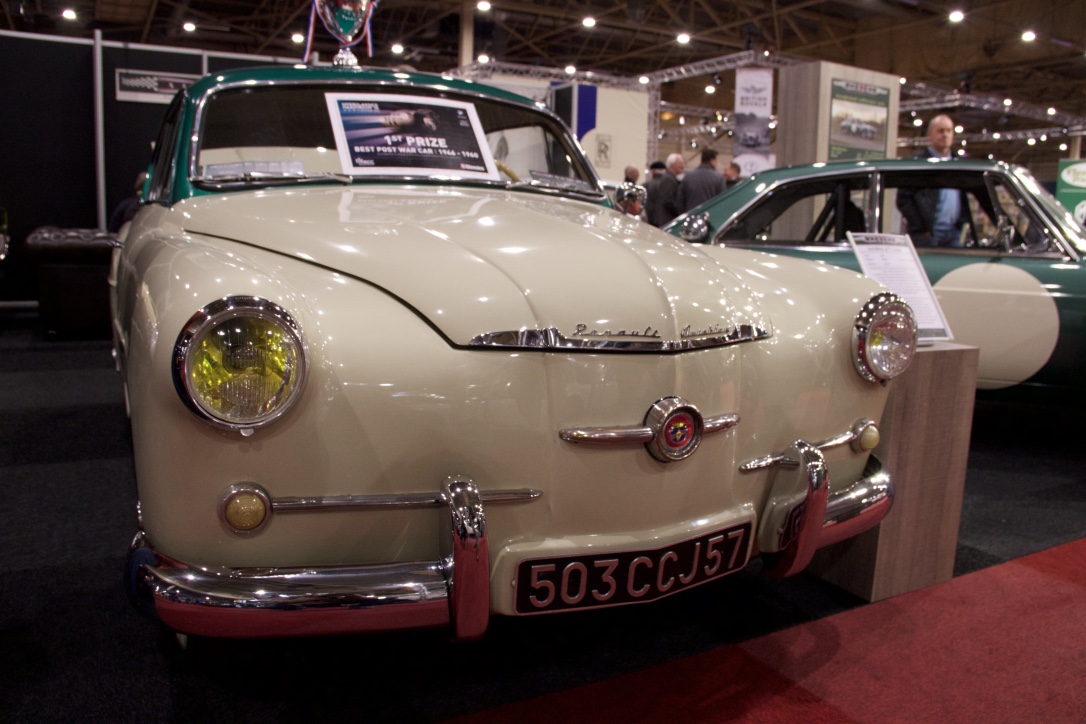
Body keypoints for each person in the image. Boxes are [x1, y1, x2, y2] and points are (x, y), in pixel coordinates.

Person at [896, 114, 967, 246]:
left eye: (949, 130)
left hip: (953, 235)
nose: (945, 135)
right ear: (929, 135)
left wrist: (962, 222)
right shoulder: (918, 163)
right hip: (926, 236)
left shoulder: (959, 165)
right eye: (940, 131)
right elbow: (903, 199)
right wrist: (921, 228)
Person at [678, 148, 725, 213]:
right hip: (710, 216)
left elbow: (680, 201)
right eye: (716, 160)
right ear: (712, 161)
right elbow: (722, 201)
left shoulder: (688, 176)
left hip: (691, 215)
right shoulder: (719, 178)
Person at [645, 153, 684, 227]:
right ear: (671, 165)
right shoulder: (668, 179)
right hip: (667, 221)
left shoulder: (669, 178)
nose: (682, 166)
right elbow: (668, 200)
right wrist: (680, 210)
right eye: (680, 163)